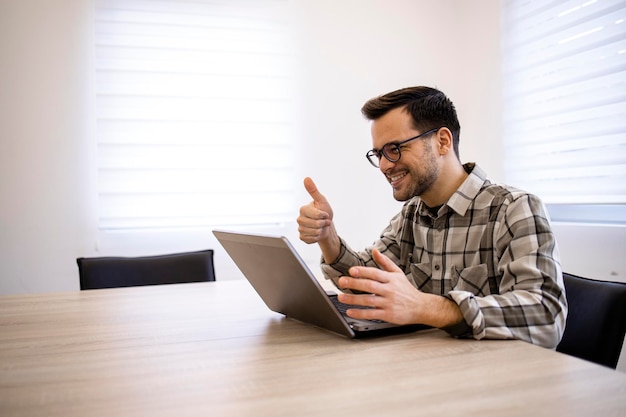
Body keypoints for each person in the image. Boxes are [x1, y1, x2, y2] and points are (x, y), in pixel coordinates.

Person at [297, 86, 567, 349]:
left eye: (395, 148)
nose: (384, 165)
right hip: (434, 370)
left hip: (500, 381)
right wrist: (327, 237)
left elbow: (545, 315)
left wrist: (427, 307)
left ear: (442, 141)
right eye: (378, 154)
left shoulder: (514, 208)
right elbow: (370, 288)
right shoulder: (411, 215)